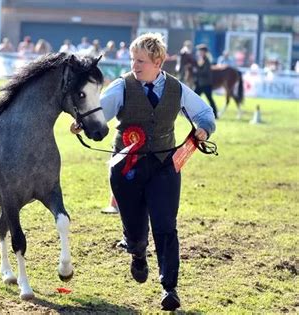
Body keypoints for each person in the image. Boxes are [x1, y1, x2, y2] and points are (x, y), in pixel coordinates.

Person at [70, 33, 216, 311]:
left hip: (164, 165)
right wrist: (83, 124)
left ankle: (169, 287)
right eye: (132, 60)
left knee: (165, 225)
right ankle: (137, 251)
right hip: (127, 168)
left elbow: (204, 113)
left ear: (158, 62)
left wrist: (203, 128)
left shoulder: (177, 89)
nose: (134, 66)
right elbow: (101, 114)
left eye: (140, 61)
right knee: (136, 229)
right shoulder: (122, 86)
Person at [194, 44, 218, 118]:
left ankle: (215, 114)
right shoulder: (201, 59)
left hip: (206, 84)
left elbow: (205, 72)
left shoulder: (207, 60)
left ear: (204, 52)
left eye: (201, 51)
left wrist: (196, 71)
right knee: (194, 97)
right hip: (200, 84)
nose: (199, 52)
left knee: (209, 99)